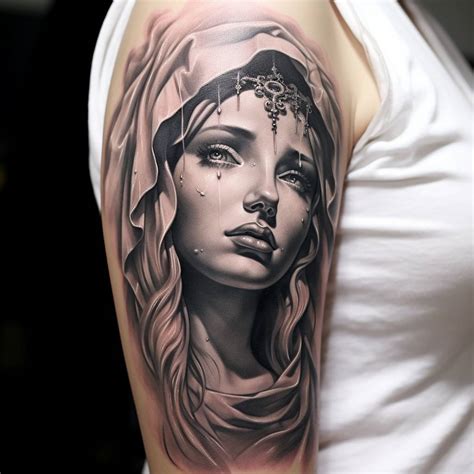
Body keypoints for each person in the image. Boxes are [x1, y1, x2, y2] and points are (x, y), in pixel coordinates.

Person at [88, 1, 473, 473]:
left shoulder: (406, 17)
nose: (267, 195)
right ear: (158, 175)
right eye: (222, 153)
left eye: (295, 175)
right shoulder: (239, 8)